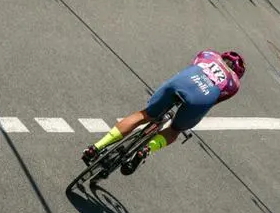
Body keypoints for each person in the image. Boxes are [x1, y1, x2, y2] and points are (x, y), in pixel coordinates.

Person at [81, 49, 245, 173]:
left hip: (182, 83)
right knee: (174, 130)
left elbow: (192, 67)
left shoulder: (209, 54)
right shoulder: (234, 84)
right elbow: (213, 102)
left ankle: (95, 147)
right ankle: (145, 150)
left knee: (144, 115)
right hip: (200, 99)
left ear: (223, 57)